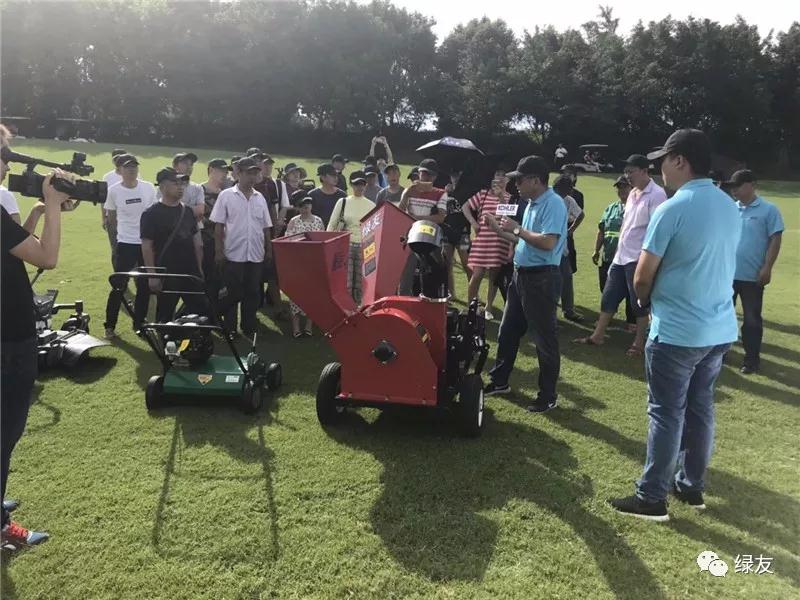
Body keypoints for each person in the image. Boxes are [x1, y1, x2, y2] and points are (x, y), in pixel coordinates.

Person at [609, 129, 741, 521]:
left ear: (680, 160)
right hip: (718, 329)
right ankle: (690, 485)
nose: (660, 169)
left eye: (663, 160)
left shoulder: (672, 208)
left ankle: (652, 498)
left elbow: (642, 277)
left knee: (666, 413)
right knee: (700, 409)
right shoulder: (728, 205)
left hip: (678, 331)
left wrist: (645, 303)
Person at [2, 153, 71, 548]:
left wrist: (42, 211)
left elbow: (13, 247)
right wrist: (55, 206)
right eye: (3, 156)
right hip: (8, 340)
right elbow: (47, 257)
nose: (8, 165)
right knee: (4, 432)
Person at [482, 156, 566, 414]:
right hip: (521, 276)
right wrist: (499, 229)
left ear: (535, 180)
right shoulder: (531, 203)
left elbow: (548, 242)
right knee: (507, 331)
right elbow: (524, 239)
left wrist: (517, 229)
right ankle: (499, 381)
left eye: (519, 180)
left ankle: (548, 396)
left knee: (544, 339)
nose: (515, 185)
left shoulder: (553, 203)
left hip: (541, 278)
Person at [574, 154, 667, 355]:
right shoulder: (632, 194)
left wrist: (647, 261)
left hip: (638, 258)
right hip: (620, 257)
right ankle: (597, 336)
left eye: (631, 172)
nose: (627, 176)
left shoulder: (657, 195)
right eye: (626, 172)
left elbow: (657, 231)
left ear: (644, 171)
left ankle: (639, 343)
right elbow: (626, 226)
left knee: (638, 303)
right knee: (608, 297)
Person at [729, 169, 784, 374]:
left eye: (738, 185)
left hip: (752, 276)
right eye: (732, 186)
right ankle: (720, 354)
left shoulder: (769, 210)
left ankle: (751, 360)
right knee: (724, 317)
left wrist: (767, 267)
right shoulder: (731, 209)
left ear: (752, 185)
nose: (734, 190)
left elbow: (775, 239)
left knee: (751, 320)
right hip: (727, 274)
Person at [211, 157, 272, 337]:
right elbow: (218, 225)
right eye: (249, 173)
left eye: (255, 173)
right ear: (238, 173)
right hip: (233, 253)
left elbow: (265, 227)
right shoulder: (226, 195)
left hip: (255, 254)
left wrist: (268, 250)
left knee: (252, 292)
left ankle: (249, 326)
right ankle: (230, 328)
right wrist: (218, 251)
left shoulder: (260, 198)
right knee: (232, 293)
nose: (252, 177)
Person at [140, 168, 206, 323]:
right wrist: (152, 276)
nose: (181, 187)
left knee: (200, 312)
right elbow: (147, 246)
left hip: (190, 273)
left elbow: (197, 243)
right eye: (175, 183)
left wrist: (199, 269)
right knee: (165, 314)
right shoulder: (151, 214)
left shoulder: (188, 211)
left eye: (182, 183)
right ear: (162, 187)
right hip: (167, 274)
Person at [102, 154, 157, 338]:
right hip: (125, 243)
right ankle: (110, 326)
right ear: (120, 171)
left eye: (134, 166)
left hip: (146, 243)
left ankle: (139, 323)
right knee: (119, 285)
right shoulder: (114, 191)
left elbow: (153, 213)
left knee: (144, 286)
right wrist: (119, 238)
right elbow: (111, 218)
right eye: (127, 167)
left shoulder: (148, 187)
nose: (132, 170)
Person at [462, 169, 512, 320]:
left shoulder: (510, 198)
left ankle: (489, 307)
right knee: (477, 274)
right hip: (482, 239)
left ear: (507, 180)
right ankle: (471, 306)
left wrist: (500, 197)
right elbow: (465, 207)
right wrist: (473, 223)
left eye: (503, 176)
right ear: (493, 178)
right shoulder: (483, 194)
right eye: (498, 175)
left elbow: (506, 217)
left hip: (499, 240)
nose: (500, 178)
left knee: (494, 276)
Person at [397, 159, 449, 295]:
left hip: (430, 236)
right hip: (410, 236)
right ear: (418, 173)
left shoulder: (440, 193)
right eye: (423, 173)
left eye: (429, 174)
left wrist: (416, 218)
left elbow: (441, 217)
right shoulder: (409, 191)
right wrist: (406, 194)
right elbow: (399, 213)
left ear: (435, 177)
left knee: (434, 270)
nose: (426, 177)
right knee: (406, 273)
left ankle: (433, 297)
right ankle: (404, 300)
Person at [327, 170, 375, 305]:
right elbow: (332, 225)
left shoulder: (371, 205)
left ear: (365, 185)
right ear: (351, 185)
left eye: (362, 184)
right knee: (346, 282)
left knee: (361, 283)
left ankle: (360, 309)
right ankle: (346, 308)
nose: (359, 187)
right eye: (356, 184)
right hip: (345, 246)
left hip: (365, 247)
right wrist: (329, 247)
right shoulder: (342, 202)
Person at [593, 177, 636, 329]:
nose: (621, 190)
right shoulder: (610, 208)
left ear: (632, 188)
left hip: (628, 258)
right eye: (619, 187)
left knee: (631, 291)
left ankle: (632, 322)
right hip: (608, 256)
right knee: (607, 290)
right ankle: (607, 317)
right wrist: (596, 250)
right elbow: (601, 230)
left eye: (625, 187)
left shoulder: (636, 208)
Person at [285, 197, 325, 337]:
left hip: (314, 263)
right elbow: (288, 239)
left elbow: (323, 240)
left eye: (308, 204)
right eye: (302, 205)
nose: (306, 207)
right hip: (297, 263)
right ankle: (296, 327)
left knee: (313, 294)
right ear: (298, 207)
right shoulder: (294, 221)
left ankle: (309, 325)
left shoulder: (318, 221)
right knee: (295, 294)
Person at [552, 175, 585, 322]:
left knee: (566, 278)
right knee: (552, 282)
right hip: (546, 248)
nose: (571, 191)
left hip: (562, 248)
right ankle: (550, 315)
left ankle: (568, 310)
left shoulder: (569, 200)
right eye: (569, 188)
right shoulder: (547, 198)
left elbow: (581, 215)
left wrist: (571, 230)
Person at [200, 158, 231, 297]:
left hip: (224, 244)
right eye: (221, 170)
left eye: (226, 171)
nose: (225, 174)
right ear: (211, 170)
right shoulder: (199, 190)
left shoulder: (227, 194)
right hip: (204, 244)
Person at [442, 170, 473, 300]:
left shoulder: (467, 191)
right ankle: (451, 293)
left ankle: (474, 294)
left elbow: (472, 211)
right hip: (447, 233)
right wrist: (445, 193)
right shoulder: (444, 192)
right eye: (453, 175)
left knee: (467, 264)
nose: (455, 178)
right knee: (447, 264)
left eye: (457, 176)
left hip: (463, 233)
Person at [101, 149, 128, 267]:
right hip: (113, 217)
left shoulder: (133, 174)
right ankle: (119, 275)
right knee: (116, 249)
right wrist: (104, 217)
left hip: (129, 217)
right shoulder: (108, 177)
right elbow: (103, 199)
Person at [168, 152, 205, 226]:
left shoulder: (197, 188)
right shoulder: (166, 186)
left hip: (192, 228)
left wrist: (176, 207)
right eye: (185, 163)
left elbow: (200, 211)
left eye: (191, 164)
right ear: (175, 166)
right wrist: (192, 209)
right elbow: (164, 209)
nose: (189, 167)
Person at [307, 163, 347, 228]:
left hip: (336, 231)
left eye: (336, 175)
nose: (336, 178)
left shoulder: (342, 195)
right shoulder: (312, 195)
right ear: (323, 177)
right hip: (317, 230)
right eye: (332, 175)